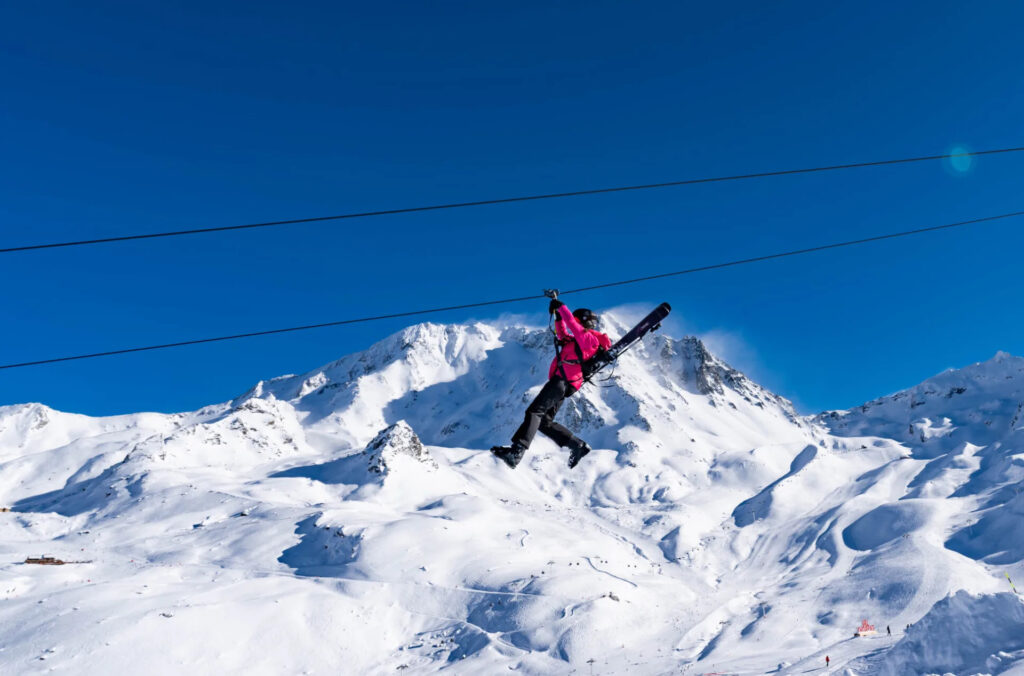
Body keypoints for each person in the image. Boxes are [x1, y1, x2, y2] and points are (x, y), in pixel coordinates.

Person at [492, 298, 612, 469]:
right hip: (564, 383)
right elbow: (563, 333)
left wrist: (562, 307)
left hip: (562, 381)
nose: (576, 323)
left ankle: (516, 452)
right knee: (544, 422)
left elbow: (572, 325)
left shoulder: (589, 340)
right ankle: (576, 445)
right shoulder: (576, 340)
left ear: (585, 322)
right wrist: (557, 316)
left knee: (535, 412)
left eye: (578, 320)